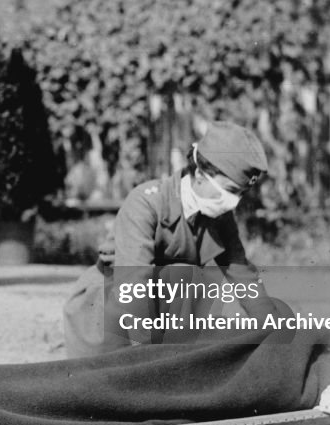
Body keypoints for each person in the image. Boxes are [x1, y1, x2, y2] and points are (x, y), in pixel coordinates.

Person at [64, 121, 282, 357]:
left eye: (240, 193)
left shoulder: (219, 217)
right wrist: (148, 361)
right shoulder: (146, 203)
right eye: (229, 190)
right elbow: (134, 287)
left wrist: (274, 329)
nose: (234, 201)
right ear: (200, 174)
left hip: (164, 309)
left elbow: (242, 275)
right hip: (111, 308)